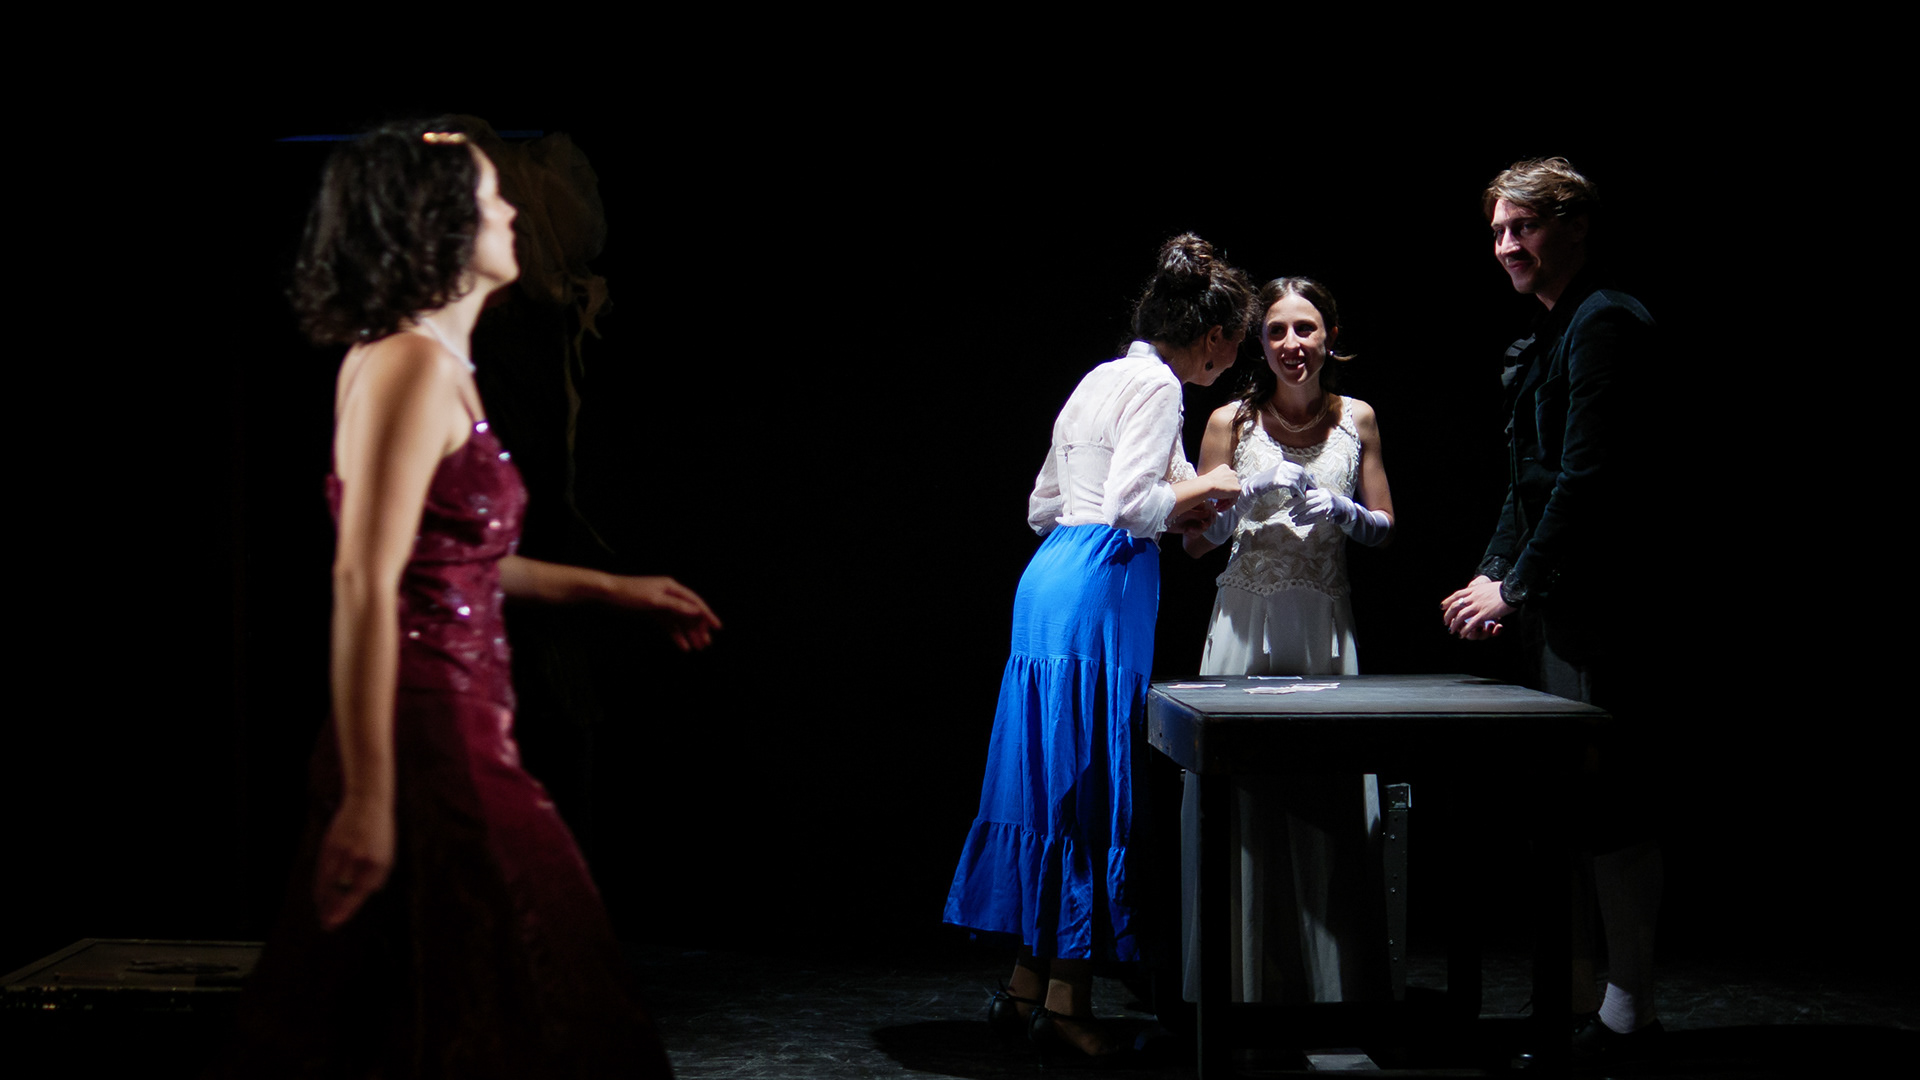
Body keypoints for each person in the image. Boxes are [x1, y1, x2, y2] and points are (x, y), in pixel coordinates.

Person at [217, 119, 719, 1079]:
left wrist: (614, 590)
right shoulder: (408, 363)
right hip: (425, 728)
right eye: (491, 196)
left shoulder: (438, 366)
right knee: (543, 986)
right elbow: (364, 578)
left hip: (456, 721)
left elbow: (454, 563)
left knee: (439, 1006)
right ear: (437, 222)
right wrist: (370, 796)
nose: (512, 212)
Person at [943, 234, 1255, 1062]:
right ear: (1212, 336)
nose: (1234, 360)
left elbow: (1043, 505)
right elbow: (1129, 507)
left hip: (1050, 577)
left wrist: (1192, 504)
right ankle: (1067, 999)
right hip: (1099, 587)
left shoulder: (1100, 377)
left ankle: (1025, 984)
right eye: (1235, 343)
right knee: (1086, 784)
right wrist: (1210, 484)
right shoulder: (1158, 385)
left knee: (1048, 780)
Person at [1440, 156, 1665, 1064]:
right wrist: (1493, 575)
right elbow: (1525, 482)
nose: (1506, 245)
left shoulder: (1604, 321)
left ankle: (1627, 1013)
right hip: (1560, 604)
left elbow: (1588, 481)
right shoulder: (1552, 330)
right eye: (1498, 231)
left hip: (1602, 606)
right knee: (1575, 809)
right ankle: (1584, 1004)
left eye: (1523, 226)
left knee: (1614, 807)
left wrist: (1517, 584)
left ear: (1574, 224)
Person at [1178, 276, 1395, 1005]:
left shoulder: (1357, 418)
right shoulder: (1229, 423)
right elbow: (1195, 544)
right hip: (1246, 624)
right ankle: (1243, 993)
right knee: (1241, 808)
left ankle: (1330, 993)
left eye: (1305, 328)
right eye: (1276, 330)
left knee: (1327, 802)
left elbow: (1385, 526)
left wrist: (1343, 510)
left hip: (1323, 628)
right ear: (1261, 342)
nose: (1291, 344)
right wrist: (1240, 498)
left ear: (1330, 335)